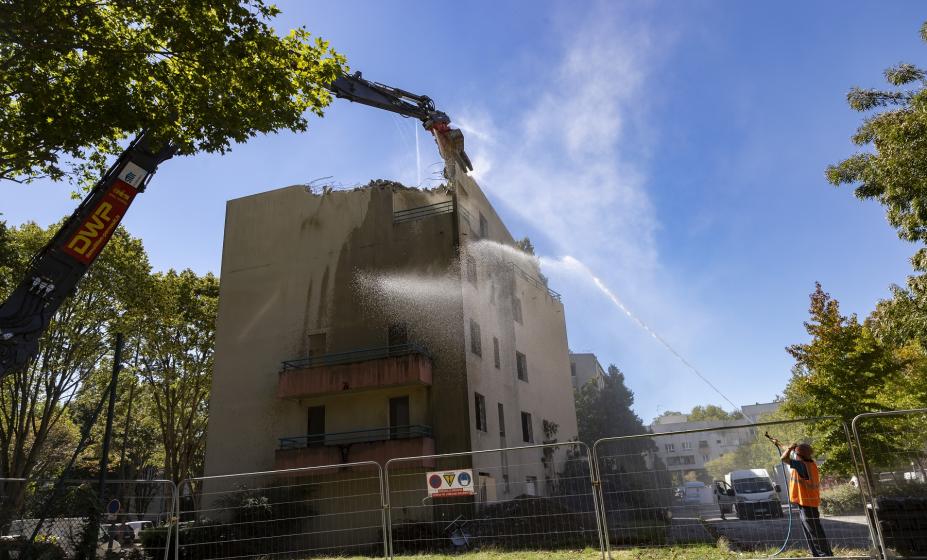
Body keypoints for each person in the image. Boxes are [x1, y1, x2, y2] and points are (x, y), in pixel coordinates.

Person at [781, 442, 833, 557]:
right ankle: (817, 554)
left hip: (806, 503)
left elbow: (784, 458)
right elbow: (793, 456)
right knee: (810, 531)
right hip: (808, 502)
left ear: (799, 455)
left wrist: (790, 448)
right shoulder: (811, 464)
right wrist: (791, 449)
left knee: (814, 531)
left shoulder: (801, 465)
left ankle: (825, 555)